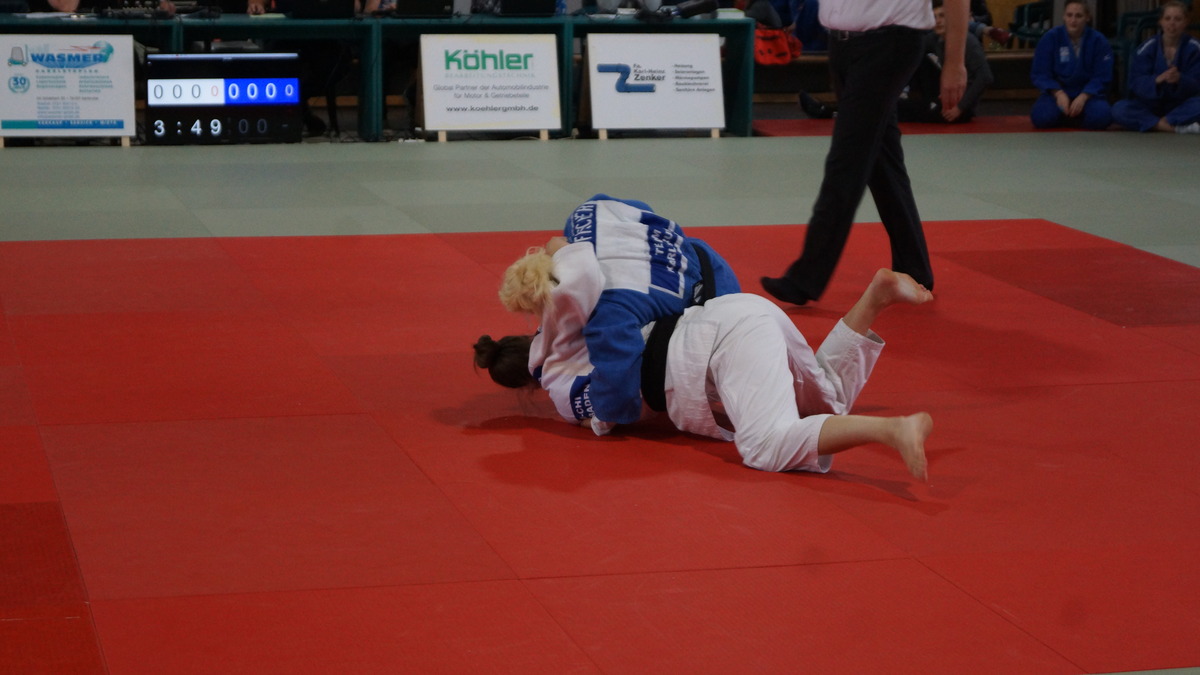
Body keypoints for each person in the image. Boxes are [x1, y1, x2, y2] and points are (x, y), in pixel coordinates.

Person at [476, 239, 935, 481]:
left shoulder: (560, 374)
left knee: (767, 447)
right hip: (743, 310)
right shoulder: (596, 301)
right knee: (824, 404)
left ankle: (890, 430)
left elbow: (613, 409)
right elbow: (562, 245)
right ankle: (875, 297)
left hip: (716, 347)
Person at [760, 0, 968, 306]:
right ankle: (914, 269)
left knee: (847, 161)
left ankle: (805, 278)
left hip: (889, 43)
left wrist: (955, 62)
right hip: (842, 44)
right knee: (882, 162)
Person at [500, 194, 741, 428]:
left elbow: (619, 376)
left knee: (654, 359)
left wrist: (604, 417)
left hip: (717, 296)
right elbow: (637, 207)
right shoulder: (584, 214)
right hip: (695, 253)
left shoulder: (608, 312)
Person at [1111, 1, 1200, 134]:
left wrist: (1180, 79)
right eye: (1167, 19)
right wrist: (1156, 80)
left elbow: (1197, 84)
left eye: (1177, 19)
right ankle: (1171, 127)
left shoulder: (1195, 48)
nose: (1172, 24)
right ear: (1160, 21)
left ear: (1186, 22)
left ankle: (1154, 123)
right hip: (1151, 105)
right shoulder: (1147, 47)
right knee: (1119, 108)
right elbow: (1135, 82)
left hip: (1181, 105)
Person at [899, 0, 994, 123]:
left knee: (901, 112)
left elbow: (986, 77)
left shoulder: (968, 42)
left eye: (942, 16)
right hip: (942, 96)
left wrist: (960, 108)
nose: (938, 21)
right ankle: (912, 96)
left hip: (960, 106)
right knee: (917, 55)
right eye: (935, 17)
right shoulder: (934, 39)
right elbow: (911, 51)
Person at [1029, 0, 1114, 130]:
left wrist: (1084, 96)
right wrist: (1058, 93)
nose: (1073, 20)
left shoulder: (1099, 41)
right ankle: (1070, 115)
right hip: (1057, 92)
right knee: (1041, 118)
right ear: (1063, 16)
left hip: (1088, 94)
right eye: (1069, 15)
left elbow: (1102, 75)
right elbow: (1040, 73)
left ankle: (1070, 117)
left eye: (1078, 16)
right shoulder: (1050, 38)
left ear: (1087, 18)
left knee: (1103, 116)